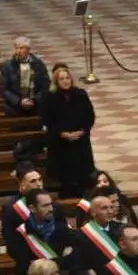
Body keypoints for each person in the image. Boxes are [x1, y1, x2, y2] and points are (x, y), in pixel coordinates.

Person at [42, 65, 96, 198]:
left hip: (80, 140)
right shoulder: (50, 97)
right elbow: (48, 119)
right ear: (56, 82)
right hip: (60, 142)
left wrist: (81, 131)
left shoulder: (81, 94)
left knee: (83, 173)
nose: (65, 81)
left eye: (67, 78)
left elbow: (90, 115)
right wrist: (62, 133)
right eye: (61, 79)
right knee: (65, 174)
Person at [0, 37, 50, 115]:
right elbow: (3, 88)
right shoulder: (8, 66)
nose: (19, 50)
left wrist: (34, 99)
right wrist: (18, 101)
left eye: (22, 48)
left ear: (28, 49)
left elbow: (45, 85)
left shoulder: (38, 64)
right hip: (14, 106)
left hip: (36, 105)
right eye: (17, 48)